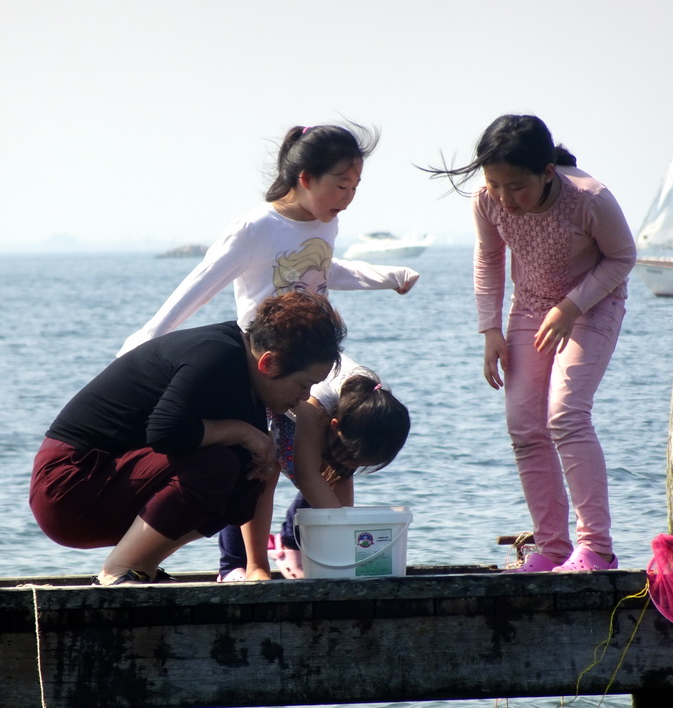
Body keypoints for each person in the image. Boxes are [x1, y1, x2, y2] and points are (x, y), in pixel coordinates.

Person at [424, 114, 636, 572]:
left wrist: (571, 308)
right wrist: (490, 331)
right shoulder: (488, 202)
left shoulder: (589, 198)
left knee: (566, 414)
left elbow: (622, 257)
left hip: (592, 305)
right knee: (524, 427)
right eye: (494, 184)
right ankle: (552, 548)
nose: (505, 198)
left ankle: (596, 548)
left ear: (546, 172)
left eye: (516, 186)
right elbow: (488, 259)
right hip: (530, 307)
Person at [29, 293, 346, 584]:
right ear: (268, 362)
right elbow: (166, 432)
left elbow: (244, 494)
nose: (305, 397)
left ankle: (143, 568)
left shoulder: (248, 378)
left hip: (103, 487)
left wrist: (257, 563)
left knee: (243, 479)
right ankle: (117, 572)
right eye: (303, 385)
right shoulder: (216, 356)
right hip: (67, 485)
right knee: (216, 464)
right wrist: (244, 432)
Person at [117, 123, 419, 356]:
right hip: (264, 358)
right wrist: (144, 340)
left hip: (311, 352)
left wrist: (390, 277)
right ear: (307, 179)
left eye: (355, 188)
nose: (348, 198)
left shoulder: (327, 223)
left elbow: (323, 271)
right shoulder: (256, 227)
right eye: (342, 186)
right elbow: (201, 285)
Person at [217, 355, 410, 580]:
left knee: (335, 477)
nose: (353, 467)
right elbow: (306, 474)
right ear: (334, 427)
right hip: (272, 394)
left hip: (315, 409)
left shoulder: (373, 410)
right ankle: (245, 565)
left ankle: (297, 545)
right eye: (352, 458)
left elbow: (339, 488)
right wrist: (344, 529)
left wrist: (345, 555)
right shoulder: (317, 408)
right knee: (261, 472)